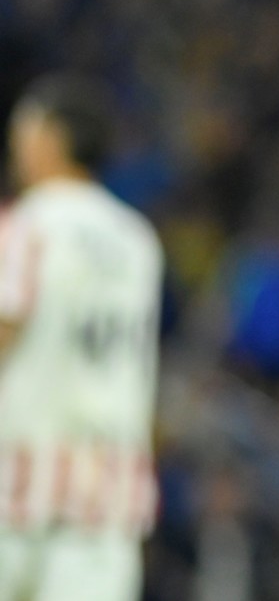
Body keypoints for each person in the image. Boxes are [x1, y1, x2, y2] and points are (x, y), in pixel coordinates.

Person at [0, 74, 163, 601]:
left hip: (19, 485)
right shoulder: (137, 239)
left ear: (52, 137)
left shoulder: (25, 227)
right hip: (109, 493)